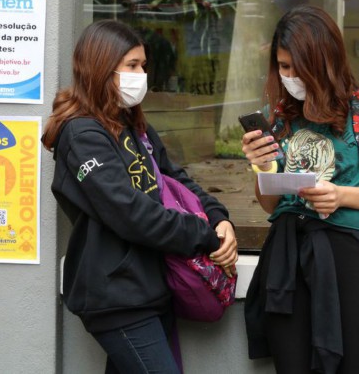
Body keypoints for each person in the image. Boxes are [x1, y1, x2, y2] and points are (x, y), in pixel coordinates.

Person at [42, 19, 238, 373]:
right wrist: (204, 236)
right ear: (102, 68)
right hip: (117, 297)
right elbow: (130, 213)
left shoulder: (132, 127)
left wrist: (219, 217)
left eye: (143, 66)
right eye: (132, 65)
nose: (141, 74)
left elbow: (177, 179)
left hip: (150, 288)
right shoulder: (81, 134)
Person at [242, 5, 359, 374]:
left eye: (297, 67)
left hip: (349, 250)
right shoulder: (279, 117)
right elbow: (270, 203)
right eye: (283, 67)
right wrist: (262, 166)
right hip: (288, 255)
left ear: (324, 61)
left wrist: (341, 195)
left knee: (357, 362)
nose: (289, 76)